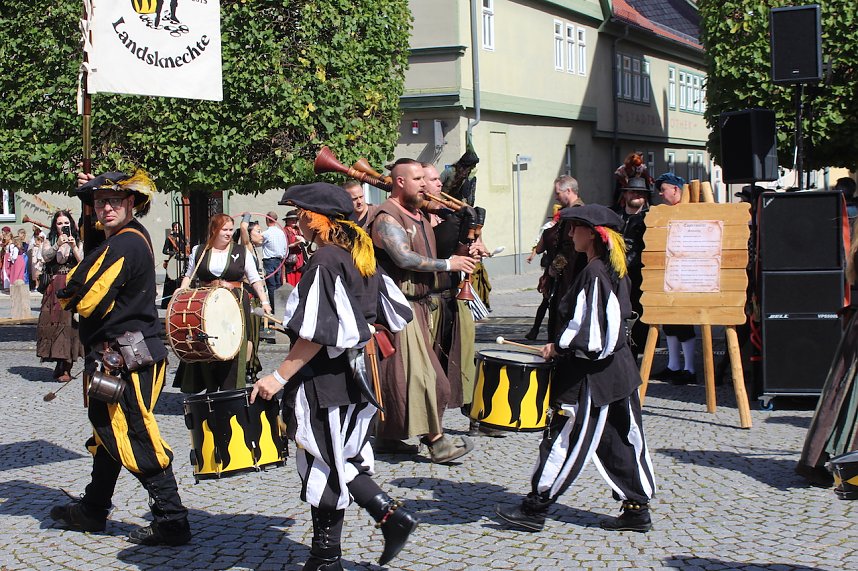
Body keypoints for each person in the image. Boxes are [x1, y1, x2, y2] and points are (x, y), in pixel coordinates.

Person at [251, 182, 417, 570]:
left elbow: (316, 333)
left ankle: (377, 526)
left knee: (325, 460)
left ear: (317, 217)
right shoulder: (358, 256)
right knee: (337, 459)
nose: (299, 219)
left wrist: (277, 376)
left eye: (302, 212)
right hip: (354, 379)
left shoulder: (326, 259)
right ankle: (328, 555)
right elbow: (390, 315)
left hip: (323, 381)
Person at [496, 204, 657, 533]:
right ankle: (637, 508)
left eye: (576, 228)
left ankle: (535, 507)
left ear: (595, 234)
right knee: (620, 438)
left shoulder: (595, 272)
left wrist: (560, 346)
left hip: (589, 377)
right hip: (618, 373)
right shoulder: (610, 268)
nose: (570, 234)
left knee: (564, 438)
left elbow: (595, 338)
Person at [51, 170, 191, 545]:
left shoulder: (126, 245)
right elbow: (98, 246)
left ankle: (172, 519)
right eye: (100, 202)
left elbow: (80, 295)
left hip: (126, 358)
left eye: (115, 201)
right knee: (106, 431)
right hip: (126, 354)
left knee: (133, 431)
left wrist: (62, 284)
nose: (106, 207)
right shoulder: (126, 238)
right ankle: (93, 509)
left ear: (132, 203)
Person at [370, 158, 477, 461]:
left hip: (419, 305)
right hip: (397, 307)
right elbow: (404, 258)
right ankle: (438, 441)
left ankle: (389, 438)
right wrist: (449, 264)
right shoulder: (386, 217)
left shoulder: (417, 213)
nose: (423, 185)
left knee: (398, 377)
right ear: (400, 182)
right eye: (417, 179)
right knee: (426, 377)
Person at [173, 213, 271, 393]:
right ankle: (208, 387)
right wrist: (181, 290)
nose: (228, 233)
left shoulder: (241, 252)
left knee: (232, 346)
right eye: (224, 229)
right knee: (205, 344)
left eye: (230, 230)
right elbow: (189, 275)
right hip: (206, 306)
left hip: (234, 305)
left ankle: (230, 390)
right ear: (214, 230)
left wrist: (264, 301)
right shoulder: (199, 251)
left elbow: (255, 279)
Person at [652, 172, 697, 384]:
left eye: (664, 190)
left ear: (676, 190)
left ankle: (689, 368)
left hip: (688, 275)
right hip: (669, 273)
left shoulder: (691, 211)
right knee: (669, 322)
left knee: (684, 323)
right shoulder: (664, 214)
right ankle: (673, 365)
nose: (661, 194)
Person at [36, 210, 85, 382]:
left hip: (71, 285)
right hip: (54, 286)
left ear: (70, 224)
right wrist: (58, 245)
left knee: (69, 325)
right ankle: (59, 363)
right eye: (59, 223)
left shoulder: (77, 240)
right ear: (55, 225)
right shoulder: (51, 240)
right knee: (53, 324)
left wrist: (72, 246)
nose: (63, 226)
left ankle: (66, 367)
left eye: (66, 223)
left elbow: (82, 262)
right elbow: (46, 256)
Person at [541, 175, 587, 341]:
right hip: (566, 275)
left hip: (572, 274)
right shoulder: (570, 213)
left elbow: (569, 247)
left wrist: (553, 269)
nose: (556, 196)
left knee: (565, 316)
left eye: (558, 192)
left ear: (569, 190)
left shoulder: (577, 213)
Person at [610, 176, 652, 356]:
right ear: (625, 194)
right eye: (632, 191)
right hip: (614, 274)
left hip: (638, 276)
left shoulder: (649, 220)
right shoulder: (614, 216)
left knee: (637, 314)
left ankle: (634, 353)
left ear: (645, 197)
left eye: (640, 193)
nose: (636, 195)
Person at [525, 204, 561, 341]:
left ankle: (536, 330)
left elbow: (539, 248)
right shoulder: (569, 231)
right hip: (563, 271)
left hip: (552, 269)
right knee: (552, 302)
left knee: (546, 301)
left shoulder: (549, 231)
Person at [260, 210, 287, 314]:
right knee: (278, 284)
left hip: (270, 261)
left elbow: (257, 242)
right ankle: (280, 309)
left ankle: (274, 310)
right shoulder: (281, 233)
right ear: (276, 220)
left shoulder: (266, 234)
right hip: (280, 261)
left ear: (267, 219)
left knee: (271, 286)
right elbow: (285, 248)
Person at [161, 221, 188, 309]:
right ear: (173, 228)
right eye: (175, 227)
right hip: (173, 261)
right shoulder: (169, 238)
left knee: (181, 280)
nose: (177, 229)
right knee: (171, 282)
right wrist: (173, 253)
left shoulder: (183, 238)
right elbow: (164, 251)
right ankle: (167, 303)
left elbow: (186, 248)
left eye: (178, 227)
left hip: (182, 261)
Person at [283, 209, 307, 287]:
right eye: (292, 219)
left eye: (295, 219)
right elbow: (285, 246)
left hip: (300, 258)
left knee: (300, 282)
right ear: (287, 221)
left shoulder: (297, 230)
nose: (294, 221)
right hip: (291, 259)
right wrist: (297, 243)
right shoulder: (284, 231)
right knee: (291, 283)